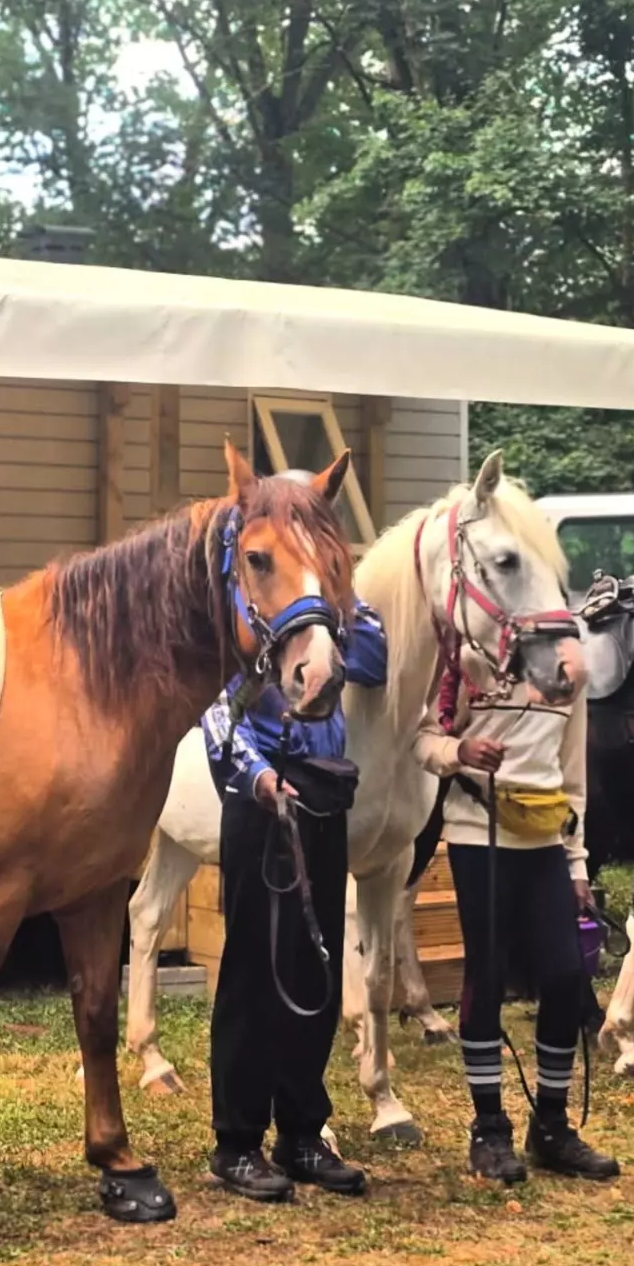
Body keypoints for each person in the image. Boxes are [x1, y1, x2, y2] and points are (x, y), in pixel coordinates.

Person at [200, 481, 386, 1204]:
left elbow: (375, 657)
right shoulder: (243, 616)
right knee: (252, 968)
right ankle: (237, 1141)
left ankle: (303, 1130)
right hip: (263, 800)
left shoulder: (323, 608)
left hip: (323, 792)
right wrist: (259, 779)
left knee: (317, 965)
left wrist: (332, 607)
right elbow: (218, 719)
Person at [417, 612, 617, 1186]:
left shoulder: (570, 674)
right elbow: (421, 738)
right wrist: (460, 751)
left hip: (545, 840)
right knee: (487, 975)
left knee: (565, 976)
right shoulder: (468, 661)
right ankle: (489, 1130)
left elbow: (572, 776)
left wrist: (576, 861)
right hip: (478, 834)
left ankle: (551, 1127)